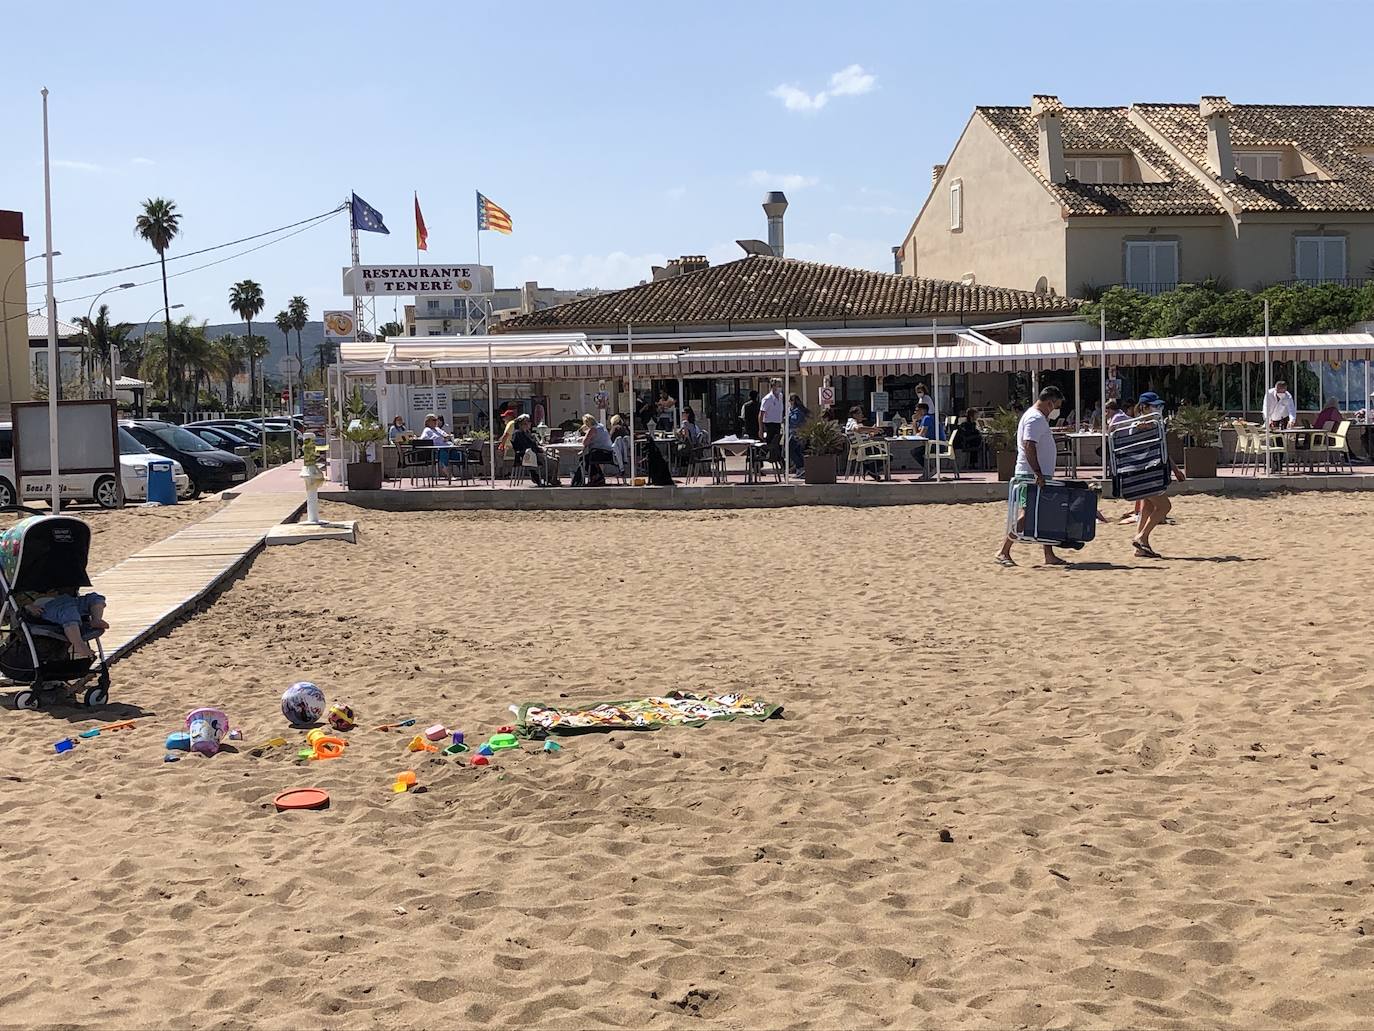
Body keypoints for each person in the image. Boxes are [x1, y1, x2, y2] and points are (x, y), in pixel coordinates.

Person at [997, 385, 1067, 568]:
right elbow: (1029, 445)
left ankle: (1049, 554)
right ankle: (1003, 550)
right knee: (1026, 515)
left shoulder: (1036, 418)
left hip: (1037, 474)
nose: (1057, 410)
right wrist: (1037, 472)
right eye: (1057, 405)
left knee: (1044, 513)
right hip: (1031, 474)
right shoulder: (1035, 418)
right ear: (1050, 403)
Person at [1132, 393, 1186, 558]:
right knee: (1164, 507)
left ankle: (1141, 547)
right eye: (1154, 406)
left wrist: (1175, 469)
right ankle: (1141, 537)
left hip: (1149, 473)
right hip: (1145, 473)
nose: (1158, 409)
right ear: (1144, 407)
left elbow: (1162, 451)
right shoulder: (1138, 425)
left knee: (1147, 507)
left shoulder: (1154, 425)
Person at [24, 586, 108, 661]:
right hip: (44, 606)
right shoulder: (20, 583)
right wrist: (28, 607)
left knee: (95, 598)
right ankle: (78, 643)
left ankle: (96, 619)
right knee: (67, 610)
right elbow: (16, 602)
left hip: (67, 600)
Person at [510, 414, 560, 486]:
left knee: (556, 457)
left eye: (528, 422)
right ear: (520, 424)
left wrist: (540, 447)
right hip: (527, 456)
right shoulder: (518, 433)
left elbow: (534, 444)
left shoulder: (527, 433)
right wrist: (540, 449)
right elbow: (526, 446)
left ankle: (551, 478)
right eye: (526, 423)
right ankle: (547, 478)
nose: (529, 424)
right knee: (553, 461)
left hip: (534, 453)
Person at [579, 413, 616, 486]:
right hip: (608, 452)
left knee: (584, 459)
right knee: (589, 458)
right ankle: (599, 477)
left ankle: (595, 477)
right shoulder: (601, 426)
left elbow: (585, 442)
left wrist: (584, 436)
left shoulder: (593, 429)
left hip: (601, 453)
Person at [759, 378, 784, 461]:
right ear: (773, 386)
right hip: (769, 425)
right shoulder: (767, 399)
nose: (780, 388)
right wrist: (761, 429)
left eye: (781, 386)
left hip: (778, 424)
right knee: (770, 445)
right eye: (778, 386)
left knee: (777, 445)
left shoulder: (780, 396)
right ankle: (763, 458)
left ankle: (779, 462)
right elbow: (761, 414)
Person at [786, 393, 809, 476]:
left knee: (789, 449)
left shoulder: (798, 411)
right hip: (791, 432)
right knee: (797, 451)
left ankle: (800, 467)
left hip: (796, 433)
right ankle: (801, 468)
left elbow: (795, 421)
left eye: (790, 400)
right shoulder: (791, 410)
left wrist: (788, 416)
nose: (789, 402)